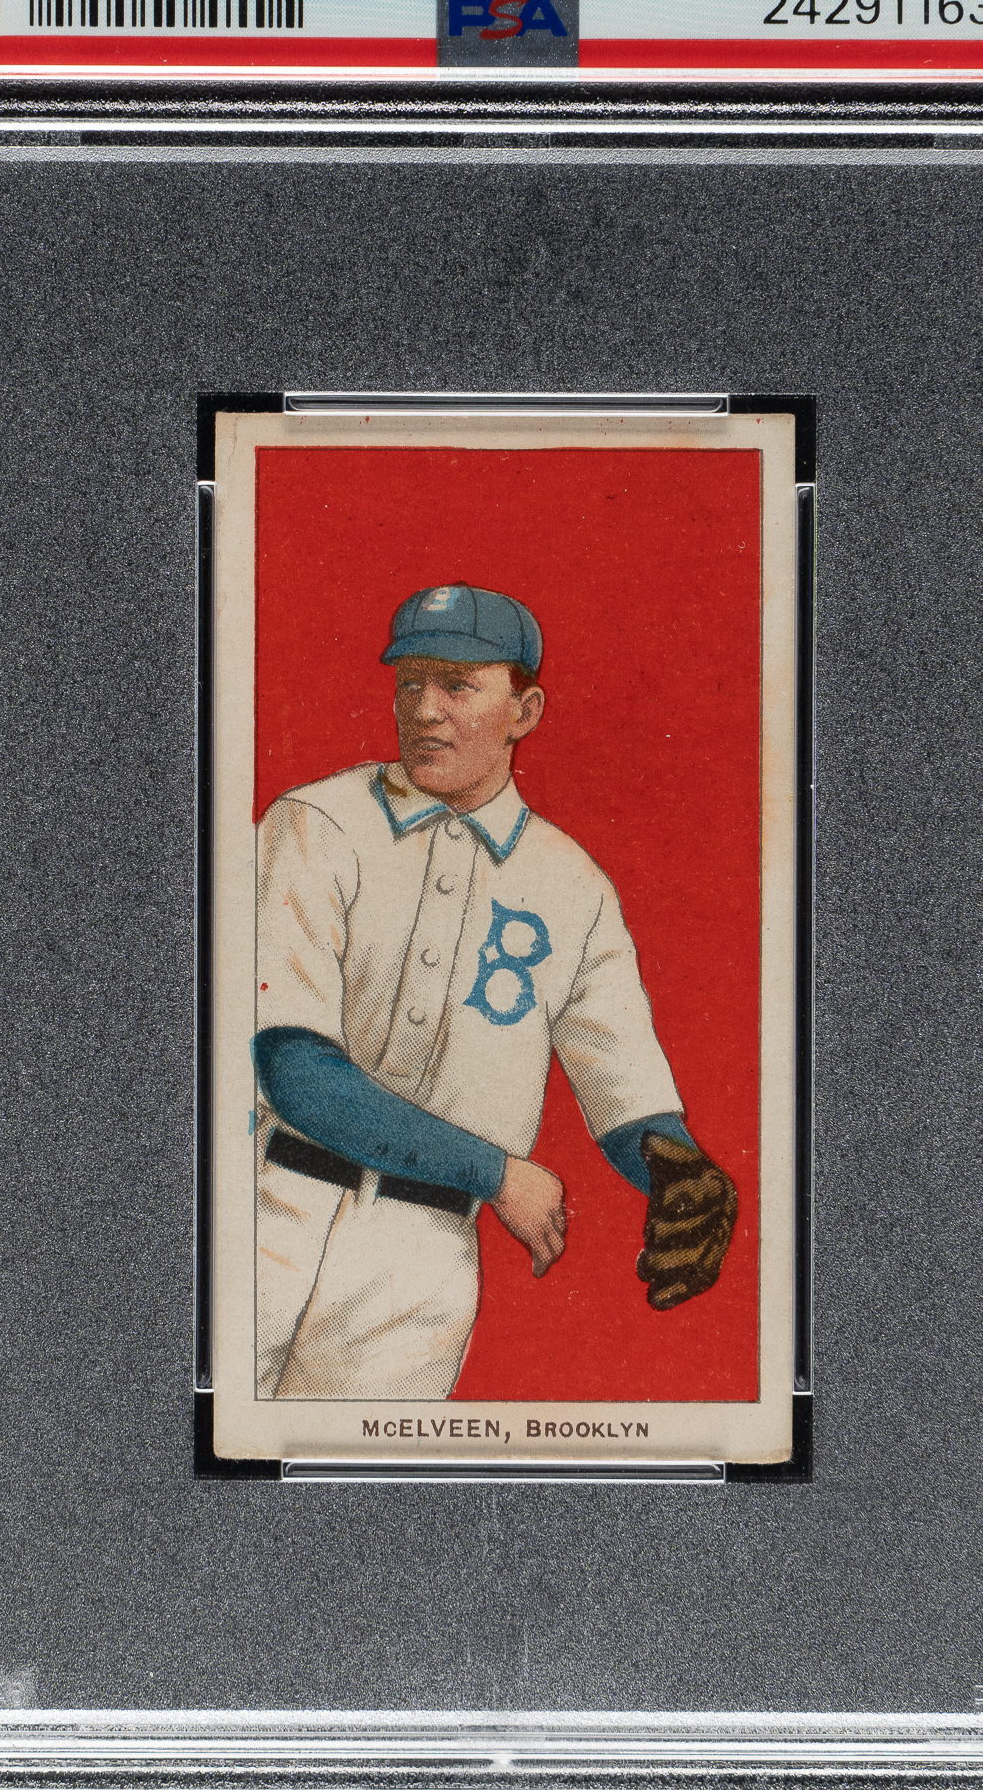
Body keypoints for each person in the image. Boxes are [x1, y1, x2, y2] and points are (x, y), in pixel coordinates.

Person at [251, 582, 734, 1401]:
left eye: (458, 685)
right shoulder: (315, 822)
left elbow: (625, 1092)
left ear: (525, 710)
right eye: (409, 682)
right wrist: (499, 1173)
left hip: (420, 1264)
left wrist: (681, 1176)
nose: (424, 710)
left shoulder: (571, 883)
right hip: (265, 1207)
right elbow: (294, 1068)